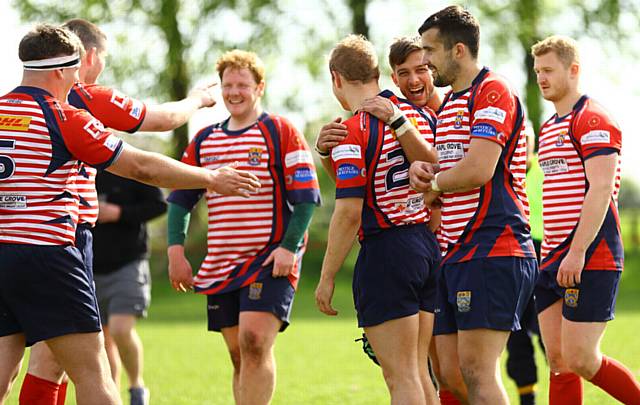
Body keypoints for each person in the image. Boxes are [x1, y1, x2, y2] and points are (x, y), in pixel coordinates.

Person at [0, 23, 259, 405]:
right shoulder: (66, 116)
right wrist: (211, 178)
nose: (77, 83)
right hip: (50, 255)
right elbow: (141, 167)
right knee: (94, 375)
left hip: (4, 255)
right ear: (61, 70)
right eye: (74, 73)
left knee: (8, 371)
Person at [314, 36, 464, 405]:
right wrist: (323, 154)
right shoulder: (415, 115)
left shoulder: (354, 128)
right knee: (419, 372)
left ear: (336, 79)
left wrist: (327, 276)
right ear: (379, 73)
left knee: (401, 378)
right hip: (425, 247)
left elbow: (350, 211)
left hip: (386, 251)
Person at [166, 49, 321, 405]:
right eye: (227, 85)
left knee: (254, 343)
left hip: (269, 259)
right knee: (239, 353)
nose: (234, 92)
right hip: (221, 263)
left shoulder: (279, 130)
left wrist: (289, 246)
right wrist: (176, 252)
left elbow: (307, 198)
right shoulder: (204, 140)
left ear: (259, 88)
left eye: (242, 84)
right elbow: (179, 200)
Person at [408, 6, 537, 404]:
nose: (424, 61)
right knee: (451, 372)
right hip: (456, 250)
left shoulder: (492, 90)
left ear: (458, 50)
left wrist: (435, 185)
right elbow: (446, 169)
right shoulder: (448, 103)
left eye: (430, 50)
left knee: (478, 370)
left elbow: (479, 168)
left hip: (495, 246)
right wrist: (424, 174)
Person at [531, 35, 640, 404]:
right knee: (559, 361)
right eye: (537, 72)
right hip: (551, 257)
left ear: (573, 70)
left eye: (549, 70)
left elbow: (601, 189)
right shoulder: (546, 128)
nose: (541, 78)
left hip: (589, 255)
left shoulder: (593, 118)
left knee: (580, 358)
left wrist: (576, 252)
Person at [92, 173, 167, 404]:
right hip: (90, 265)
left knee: (120, 329)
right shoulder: (79, 165)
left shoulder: (128, 165)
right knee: (102, 339)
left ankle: (136, 386)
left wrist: (119, 213)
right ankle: (111, 394)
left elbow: (158, 205)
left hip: (128, 263)